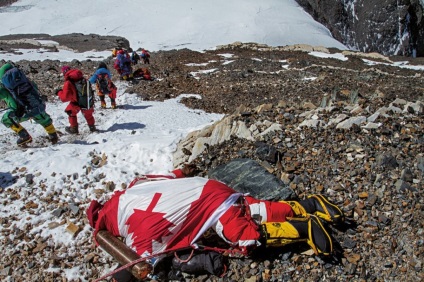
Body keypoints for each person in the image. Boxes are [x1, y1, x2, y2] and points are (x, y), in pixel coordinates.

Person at [87, 164, 344, 281]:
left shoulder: (136, 232)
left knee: (245, 237)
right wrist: (184, 172)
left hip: (210, 207)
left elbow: (142, 265)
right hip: (210, 187)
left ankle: (303, 227)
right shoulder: (133, 187)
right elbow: (173, 173)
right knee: (253, 209)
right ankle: (310, 205)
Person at [0, 63, 58, 146]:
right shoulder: (27, 82)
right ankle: (53, 135)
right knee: (42, 117)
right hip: (35, 107)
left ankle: (24, 136)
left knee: (6, 119)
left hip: (19, 112)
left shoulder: (4, 88)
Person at [56, 65, 96, 134]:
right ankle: (92, 127)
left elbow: (64, 98)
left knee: (70, 112)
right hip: (86, 100)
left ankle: (74, 129)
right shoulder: (82, 78)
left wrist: (59, 92)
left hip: (75, 102)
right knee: (88, 114)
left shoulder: (68, 82)